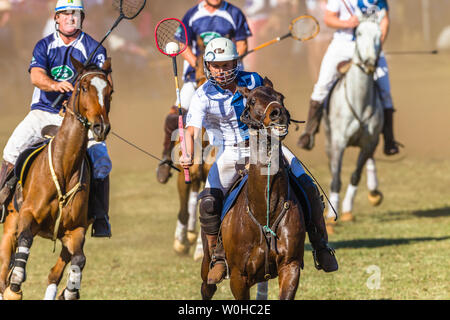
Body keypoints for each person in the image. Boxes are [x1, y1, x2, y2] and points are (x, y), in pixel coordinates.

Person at [180, 37, 338, 284]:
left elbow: (275, 104)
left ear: (235, 62)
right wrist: (187, 153)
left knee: (307, 186)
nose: (221, 71)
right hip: (230, 152)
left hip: (264, 145)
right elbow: (190, 131)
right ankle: (217, 257)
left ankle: (321, 247)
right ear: (207, 66)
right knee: (209, 202)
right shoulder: (203, 95)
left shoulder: (253, 81)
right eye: (216, 65)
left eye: (226, 64)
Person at [0, 0, 112, 237]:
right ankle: (2, 200)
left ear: (82, 18)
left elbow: (104, 84)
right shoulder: (44, 45)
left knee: (102, 162)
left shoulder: (94, 48)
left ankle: (100, 216)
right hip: (42, 111)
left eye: (76, 14)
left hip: (77, 120)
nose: (71, 18)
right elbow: (36, 75)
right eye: (66, 14)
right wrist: (55, 85)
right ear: (57, 18)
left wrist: (86, 97)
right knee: (10, 151)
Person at [156, 0, 252, 184]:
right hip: (196, 77)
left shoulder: (234, 13)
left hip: (230, 77)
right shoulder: (192, 14)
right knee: (174, 116)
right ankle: (166, 157)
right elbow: (183, 45)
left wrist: (226, 63)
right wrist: (200, 67)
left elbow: (242, 45)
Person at [297, 0, 400, 156]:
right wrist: (347, 23)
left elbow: (385, 21)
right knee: (321, 86)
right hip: (342, 46)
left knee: (385, 90)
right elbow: (328, 18)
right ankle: (309, 133)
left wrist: (377, 45)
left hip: (370, 47)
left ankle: (389, 139)